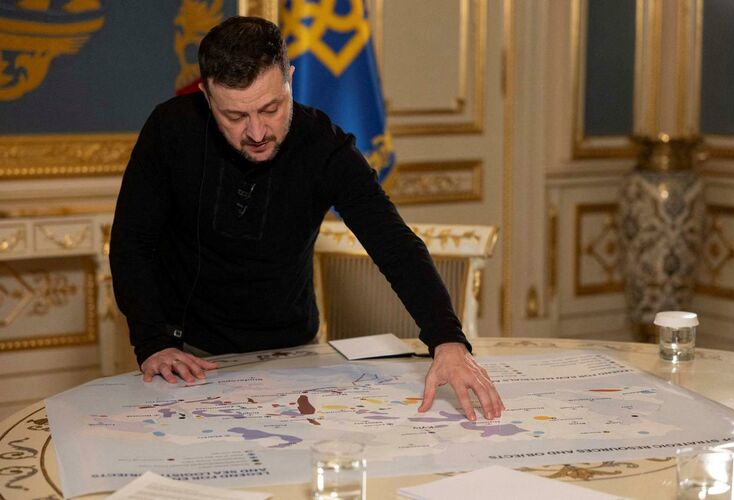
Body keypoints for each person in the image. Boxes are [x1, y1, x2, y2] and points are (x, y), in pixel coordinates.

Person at [110, 16, 503, 422]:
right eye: (235, 117)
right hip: (187, 355)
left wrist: (447, 340)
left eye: (271, 108)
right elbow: (132, 242)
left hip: (293, 354)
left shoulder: (325, 147)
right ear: (206, 96)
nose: (257, 132)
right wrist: (153, 342)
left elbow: (395, 245)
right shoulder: (170, 128)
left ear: (290, 79)